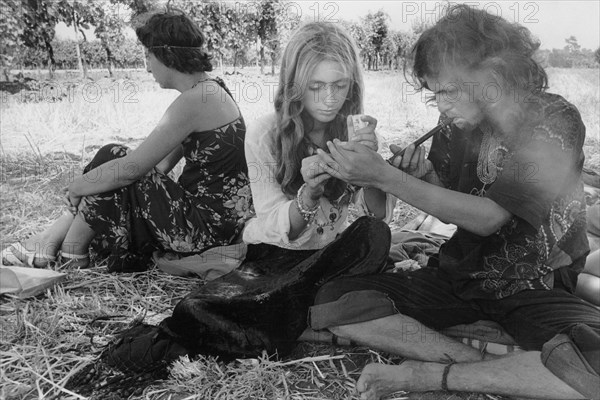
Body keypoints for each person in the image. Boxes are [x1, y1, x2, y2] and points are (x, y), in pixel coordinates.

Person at [65, 21, 397, 398]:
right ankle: (293, 312)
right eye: (315, 87)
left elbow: (379, 215)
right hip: (272, 253)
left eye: (339, 86)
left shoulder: (357, 134)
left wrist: (375, 169)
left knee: (374, 236)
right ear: (294, 85)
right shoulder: (266, 134)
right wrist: (309, 194)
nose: (328, 99)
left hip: (322, 255)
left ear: (353, 84)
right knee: (207, 306)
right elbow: (273, 224)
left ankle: (299, 307)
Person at [309, 5, 600, 400]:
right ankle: (492, 369)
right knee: (335, 302)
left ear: (492, 74)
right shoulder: (456, 127)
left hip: (534, 285)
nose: (440, 105)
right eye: (434, 94)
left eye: (447, 90)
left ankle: (432, 374)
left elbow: (488, 218)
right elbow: (455, 202)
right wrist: (419, 176)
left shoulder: (552, 120)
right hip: (461, 277)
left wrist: (385, 177)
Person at [1, 11, 253, 272]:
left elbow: (131, 168)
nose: (147, 67)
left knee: (115, 157)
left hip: (205, 229)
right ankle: (63, 246)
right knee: (114, 164)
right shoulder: (210, 90)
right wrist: (99, 185)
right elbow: (160, 167)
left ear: (166, 55)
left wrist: (78, 187)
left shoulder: (195, 101)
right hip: (217, 222)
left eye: (148, 56)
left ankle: (60, 246)